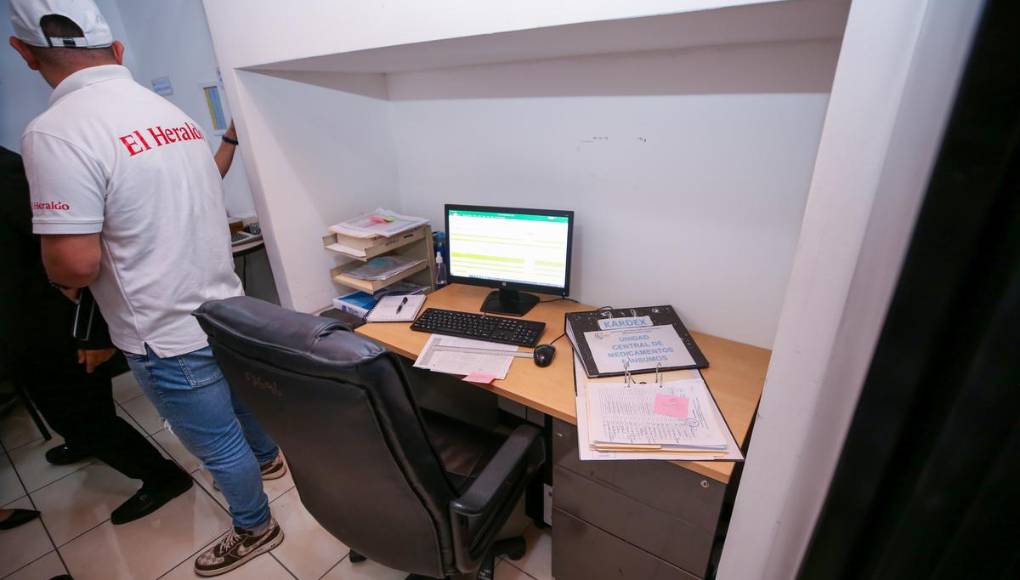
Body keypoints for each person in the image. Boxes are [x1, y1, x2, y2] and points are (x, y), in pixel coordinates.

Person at [8, 1, 285, 575]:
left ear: (25, 54)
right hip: (224, 308)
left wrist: (59, 281)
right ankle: (268, 460)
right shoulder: (166, 112)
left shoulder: (55, 132)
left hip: (163, 328)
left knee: (216, 441)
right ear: (116, 50)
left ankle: (256, 525)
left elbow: (75, 264)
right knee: (241, 403)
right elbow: (202, 183)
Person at [1, 145, 193, 525]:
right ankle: (86, 440)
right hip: (28, 323)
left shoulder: (9, 172)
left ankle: (160, 475)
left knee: (76, 409)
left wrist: (95, 332)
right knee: (71, 405)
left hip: (49, 322)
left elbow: (80, 249)